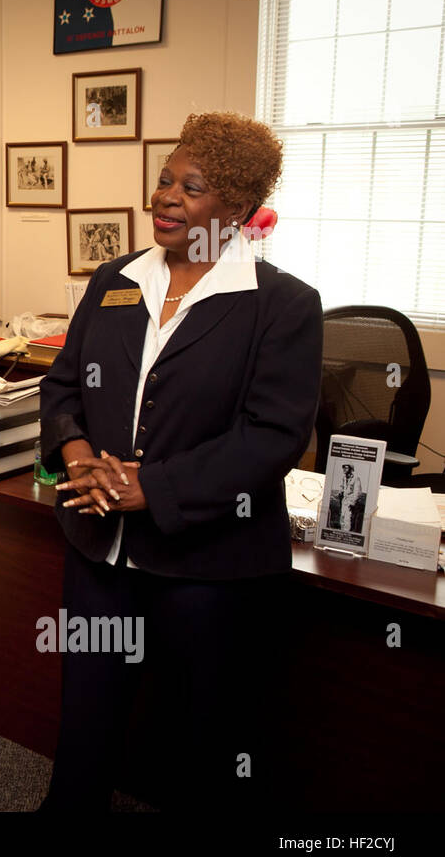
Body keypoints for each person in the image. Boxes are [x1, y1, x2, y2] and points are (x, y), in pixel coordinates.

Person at [37, 111, 323, 811]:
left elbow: (273, 435)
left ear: (238, 210)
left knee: (205, 735)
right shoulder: (114, 281)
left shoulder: (280, 305)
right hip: (98, 549)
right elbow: (62, 384)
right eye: (165, 179)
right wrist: (75, 455)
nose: (166, 196)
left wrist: (152, 488)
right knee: (87, 719)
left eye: (191, 188)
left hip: (210, 566)